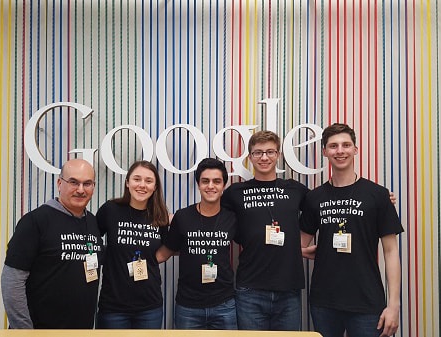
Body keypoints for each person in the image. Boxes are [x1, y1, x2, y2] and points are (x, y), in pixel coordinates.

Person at [300, 123, 403, 337]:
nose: (340, 151)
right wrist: (308, 250)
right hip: (324, 302)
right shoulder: (314, 197)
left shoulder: (377, 195)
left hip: (366, 301)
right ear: (324, 152)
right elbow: (299, 243)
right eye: (333, 146)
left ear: (355, 149)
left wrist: (394, 305)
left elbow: (391, 252)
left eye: (346, 145)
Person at [221, 130, 309, 330]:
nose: (264, 157)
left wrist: (377, 202)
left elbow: (323, 206)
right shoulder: (235, 192)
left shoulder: (295, 189)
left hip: (289, 288)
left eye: (270, 152)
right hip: (250, 289)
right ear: (250, 157)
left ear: (278, 155)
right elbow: (211, 216)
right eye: (258, 152)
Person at [1, 158, 102, 329]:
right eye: (73, 182)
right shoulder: (35, 221)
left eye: (87, 183)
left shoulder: (92, 222)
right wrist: (24, 331)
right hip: (39, 330)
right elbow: (12, 281)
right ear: (59, 183)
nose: (80, 190)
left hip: (81, 330)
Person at [156, 158, 238, 329]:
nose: (210, 186)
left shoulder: (232, 218)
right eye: (205, 181)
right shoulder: (183, 216)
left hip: (224, 304)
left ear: (223, 186)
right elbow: (165, 253)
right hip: (188, 306)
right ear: (198, 185)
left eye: (217, 181)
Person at [95, 160, 169, 329]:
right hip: (113, 306)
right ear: (127, 183)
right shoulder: (110, 209)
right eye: (137, 179)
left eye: (149, 181)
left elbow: (166, 246)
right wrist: (110, 258)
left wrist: (151, 259)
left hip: (149, 306)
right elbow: (92, 240)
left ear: (155, 187)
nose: (142, 185)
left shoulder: (159, 215)